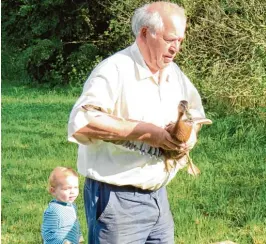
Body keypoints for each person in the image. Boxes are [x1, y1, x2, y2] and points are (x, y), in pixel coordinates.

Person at [67, 2, 207, 243]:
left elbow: (195, 113)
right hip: (117, 199)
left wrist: (188, 136)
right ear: (144, 33)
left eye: (180, 41)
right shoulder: (115, 70)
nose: (176, 48)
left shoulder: (174, 74)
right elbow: (82, 122)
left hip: (158, 198)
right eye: (170, 39)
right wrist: (145, 132)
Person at [41, 167, 82, 244]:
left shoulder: (72, 206)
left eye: (76, 187)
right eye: (67, 189)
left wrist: (79, 236)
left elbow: (75, 223)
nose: (72, 192)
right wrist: (62, 242)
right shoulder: (53, 210)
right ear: (53, 191)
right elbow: (47, 234)